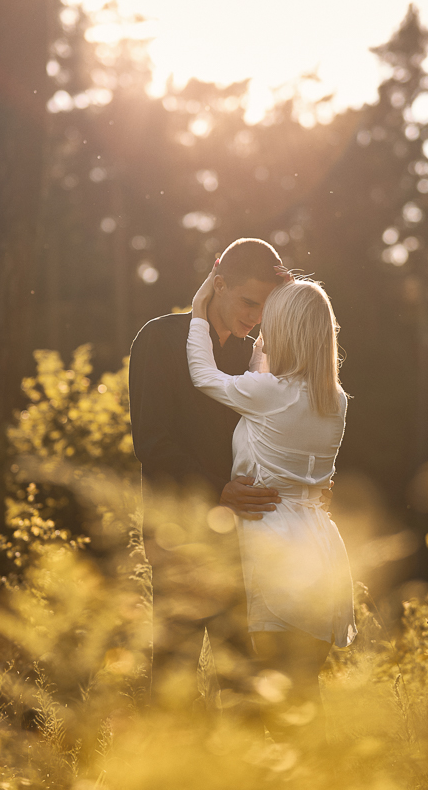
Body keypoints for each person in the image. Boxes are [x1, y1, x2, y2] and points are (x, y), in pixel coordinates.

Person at [187, 266, 357, 739]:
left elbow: (205, 375)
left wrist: (201, 311)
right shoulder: (335, 400)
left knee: (262, 695)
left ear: (282, 332)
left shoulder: (268, 394)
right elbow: (269, 395)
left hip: (273, 543)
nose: (259, 330)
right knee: (304, 692)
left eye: (269, 323)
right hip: (319, 544)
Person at [129, 238, 287, 707]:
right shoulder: (157, 340)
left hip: (244, 538)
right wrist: (219, 491)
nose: (255, 316)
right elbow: (152, 443)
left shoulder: (255, 357)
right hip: (176, 532)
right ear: (218, 284)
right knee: (173, 674)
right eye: (248, 302)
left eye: (266, 307)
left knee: (241, 674)